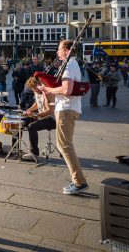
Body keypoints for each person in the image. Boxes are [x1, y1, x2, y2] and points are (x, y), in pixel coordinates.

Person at [39, 39, 88, 195]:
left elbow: (67, 90)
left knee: (64, 146)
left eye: (59, 49)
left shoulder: (69, 65)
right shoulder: (71, 65)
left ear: (67, 50)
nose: (57, 52)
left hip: (66, 109)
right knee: (64, 145)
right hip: (67, 108)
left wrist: (49, 89)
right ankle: (78, 180)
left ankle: (79, 182)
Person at [21, 76, 57, 161]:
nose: (35, 90)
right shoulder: (36, 91)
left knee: (32, 126)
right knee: (21, 122)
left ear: (39, 84)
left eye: (35, 87)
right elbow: (37, 103)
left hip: (51, 119)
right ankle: (16, 148)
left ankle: (34, 153)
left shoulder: (48, 93)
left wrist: (35, 115)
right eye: (32, 88)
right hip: (41, 116)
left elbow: (50, 111)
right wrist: (28, 111)